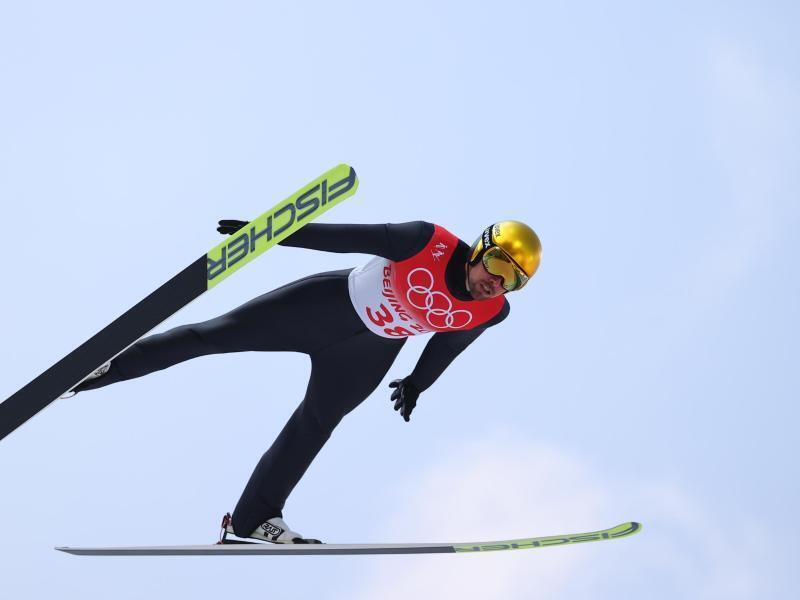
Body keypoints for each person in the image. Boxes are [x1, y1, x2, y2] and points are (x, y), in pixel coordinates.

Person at [73, 219, 542, 543]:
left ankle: (254, 518)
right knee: (214, 336)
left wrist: (418, 382)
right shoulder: (426, 241)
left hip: (369, 351)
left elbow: (450, 342)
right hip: (326, 306)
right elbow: (343, 238)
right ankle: (106, 367)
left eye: (513, 281)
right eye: (498, 266)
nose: (497, 284)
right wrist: (268, 234)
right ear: (481, 248)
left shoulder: (491, 311)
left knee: (315, 424)